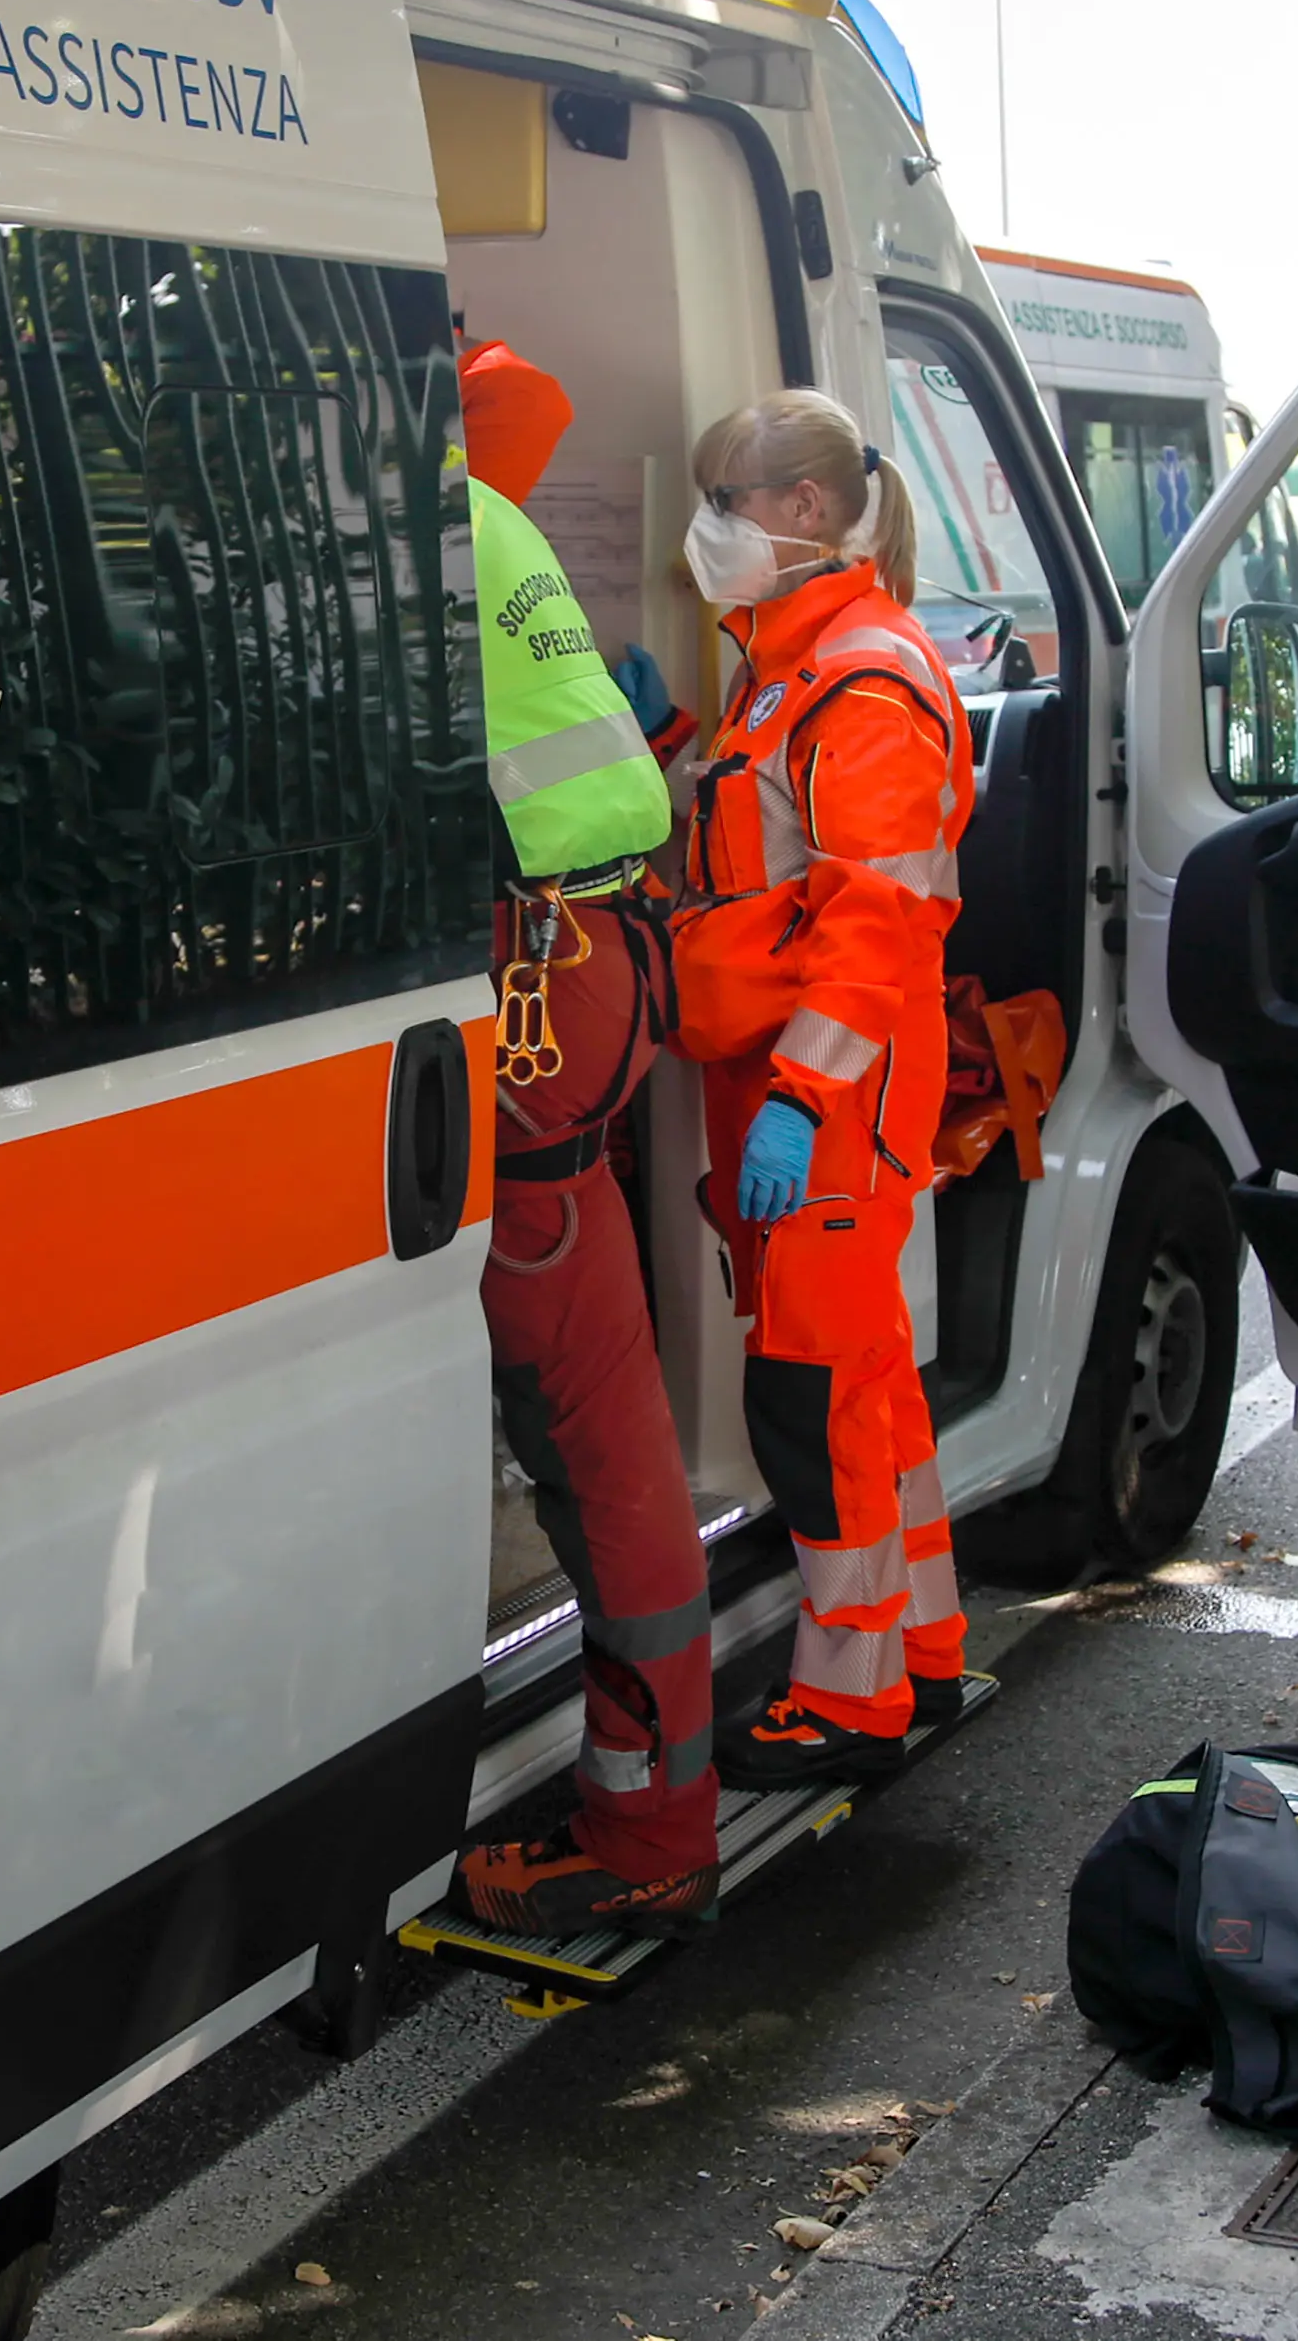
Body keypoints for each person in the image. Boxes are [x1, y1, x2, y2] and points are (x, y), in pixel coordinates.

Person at [446, 338, 720, 1937]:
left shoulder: (426, 531)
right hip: (589, 966)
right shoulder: (500, 524)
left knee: (592, 1440)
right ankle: (654, 1805)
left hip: (535, 991)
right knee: (603, 1409)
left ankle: (646, 1828)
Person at [670, 388, 973, 1788]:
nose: (704, 532)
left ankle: (844, 1700)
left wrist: (799, 1096)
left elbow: (875, 920)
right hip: (803, 1091)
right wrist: (668, 736)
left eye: (720, 504)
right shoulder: (789, 669)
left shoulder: (859, 678)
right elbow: (774, 851)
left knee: (814, 1403)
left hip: (830, 1100)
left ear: (799, 511)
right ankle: (915, 1650)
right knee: (868, 1390)